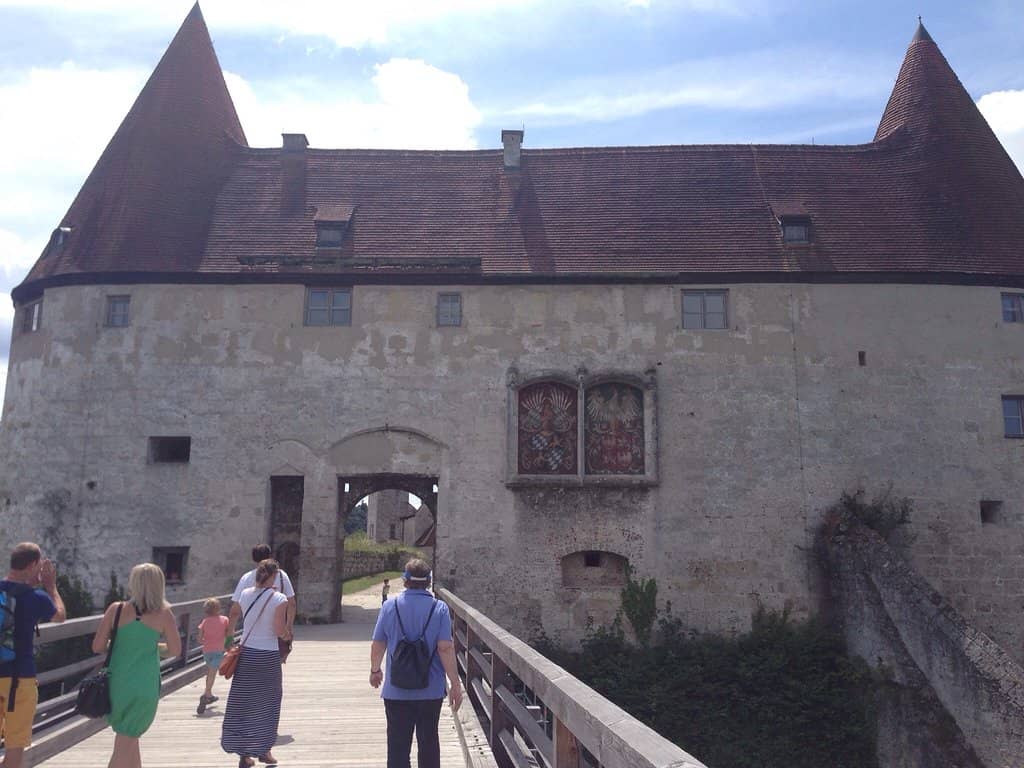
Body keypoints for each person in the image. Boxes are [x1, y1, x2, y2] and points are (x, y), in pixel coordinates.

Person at [370, 558, 463, 768]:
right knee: (429, 744)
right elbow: (445, 648)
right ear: (429, 581)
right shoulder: (439, 608)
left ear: (405, 580)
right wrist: (455, 684)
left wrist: (375, 670)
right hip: (430, 690)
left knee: (397, 748)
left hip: (396, 690)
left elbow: (378, 644)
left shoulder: (390, 606)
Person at [91, 563, 181, 768]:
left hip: (117, 683)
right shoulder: (164, 614)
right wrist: (151, 647)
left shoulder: (116, 609)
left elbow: (97, 646)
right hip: (144, 684)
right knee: (127, 740)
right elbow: (175, 650)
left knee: (128, 737)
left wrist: (124, 646)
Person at [0, 542, 66, 768]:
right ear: (32, 565)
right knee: (14, 747)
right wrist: (51, 587)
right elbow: (60, 616)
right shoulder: (37, 597)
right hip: (20, 679)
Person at [221, 559, 290, 768]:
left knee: (244, 703)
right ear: (273, 576)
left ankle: (244, 754)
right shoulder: (279, 598)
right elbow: (278, 629)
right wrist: (287, 635)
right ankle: (264, 750)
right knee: (267, 703)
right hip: (267, 656)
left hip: (247, 654)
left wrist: (229, 636)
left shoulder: (244, 594)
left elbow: (235, 614)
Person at [226, 544, 294, 662]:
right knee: (271, 669)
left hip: (248, 642)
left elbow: (235, 612)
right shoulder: (281, 576)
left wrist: (229, 636)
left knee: (247, 672)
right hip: (273, 642)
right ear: (270, 556)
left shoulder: (246, 578)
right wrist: (288, 628)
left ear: (253, 558)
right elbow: (291, 604)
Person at [196, 597, 229, 714]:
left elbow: (199, 639)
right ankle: (206, 694)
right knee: (212, 673)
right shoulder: (224, 620)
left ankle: (209, 694)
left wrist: (207, 641)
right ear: (218, 608)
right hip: (218, 650)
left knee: (210, 672)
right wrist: (228, 645)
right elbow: (229, 634)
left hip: (207, 651)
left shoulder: (205, 622)